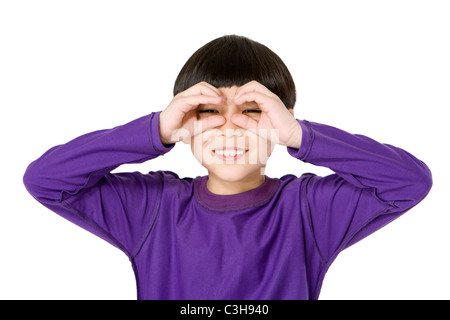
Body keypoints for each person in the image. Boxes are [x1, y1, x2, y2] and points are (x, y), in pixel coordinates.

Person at [23, 35, 432, 300]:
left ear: (282, 120)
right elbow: (46, 180)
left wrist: (302, 136)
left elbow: (409, 182)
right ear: (183, 121)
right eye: (209, 112)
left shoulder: (309, 209)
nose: (231, 128)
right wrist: (155, 130)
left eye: (253, 111)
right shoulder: (152, 207)